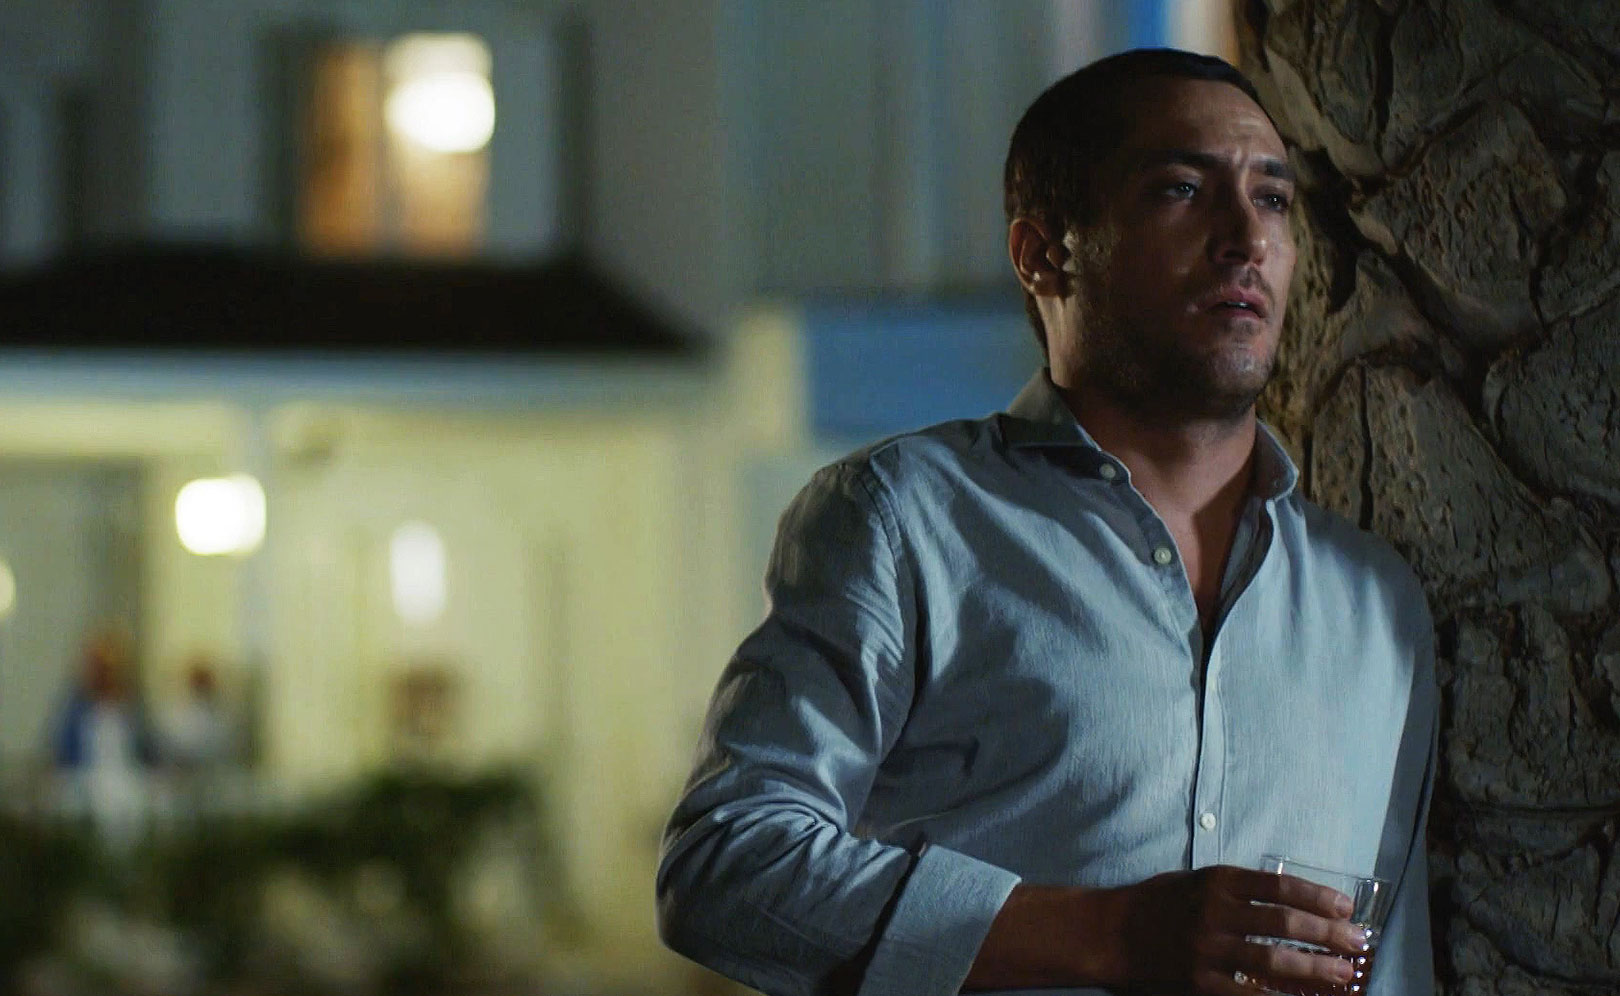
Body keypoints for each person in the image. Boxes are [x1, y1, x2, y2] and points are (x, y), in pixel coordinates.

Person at [657, 48, 1437, 996]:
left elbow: (1389, 962)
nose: (1246, 238)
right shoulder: (906, 521)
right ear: (1041, 254)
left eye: (1272, 199)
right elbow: (726, 863)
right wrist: (1109, 934)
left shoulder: (1374, 602)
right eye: (1182, 190)